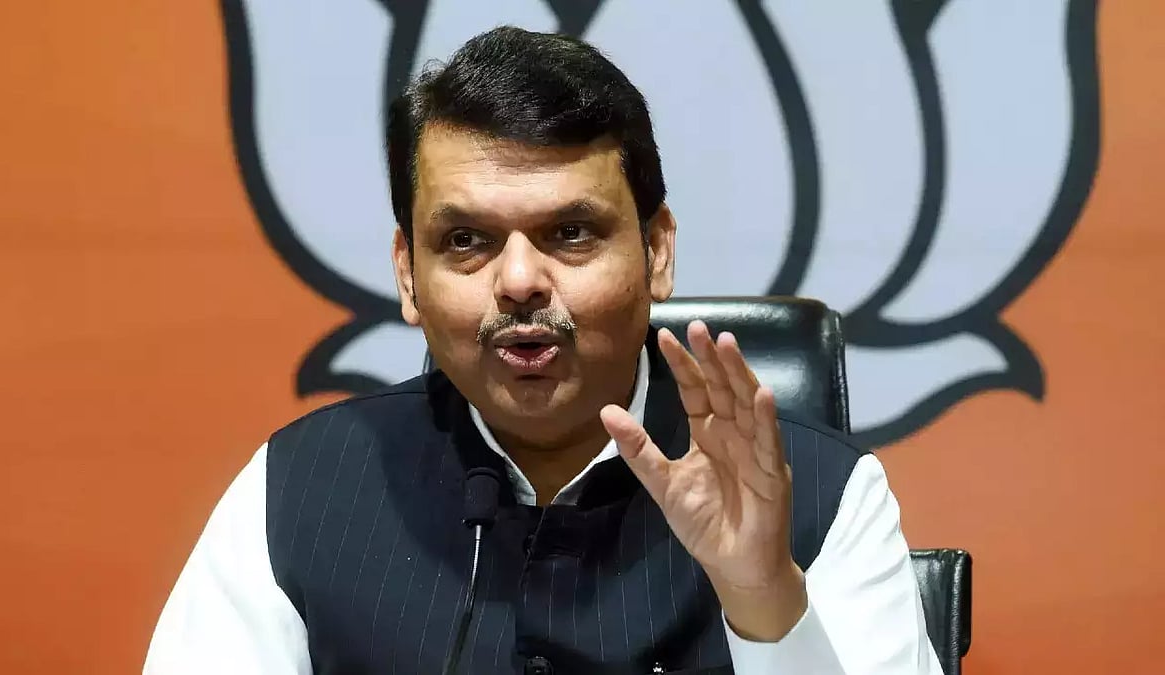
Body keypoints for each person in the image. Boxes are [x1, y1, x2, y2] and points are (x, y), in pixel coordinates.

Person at [144, 26, 941, 675]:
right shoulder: (298, 492)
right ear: (408, 275)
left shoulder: (826, 499)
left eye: (571, 232)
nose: (520, 280)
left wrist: (765, 598)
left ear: (657, 251)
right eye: (466, 240)